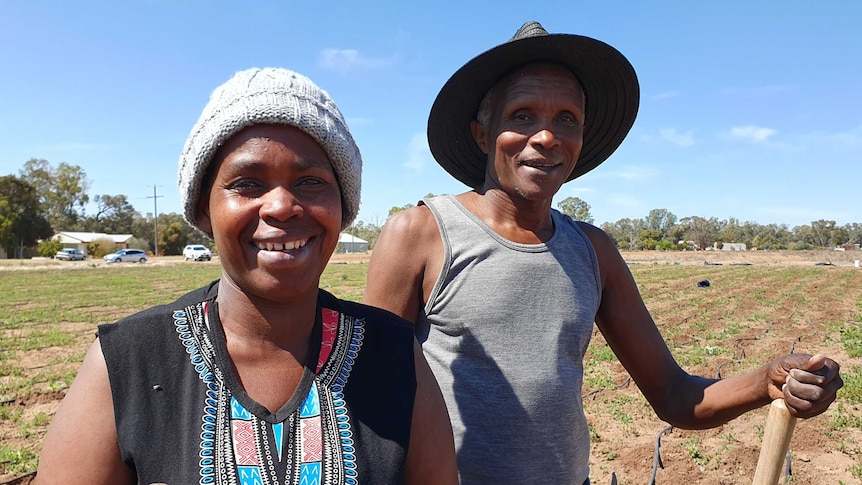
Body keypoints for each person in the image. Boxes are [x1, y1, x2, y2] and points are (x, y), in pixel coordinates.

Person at [364, 21, 843, 484]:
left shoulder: (592, 251)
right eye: (522, 115)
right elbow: (367, 398)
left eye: (566, 120)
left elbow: (676, 396)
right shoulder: (422, 234)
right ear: (482, 134)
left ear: (579, 140)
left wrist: (767, 380)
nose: (547, 136)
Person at [36, 67, 458, 485]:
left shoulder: (396, 355)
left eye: (311, 181)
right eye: (248, 183)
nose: (280, 206)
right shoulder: (129, 361)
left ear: (343, 207)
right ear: (204, 209)